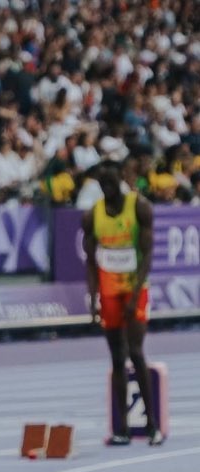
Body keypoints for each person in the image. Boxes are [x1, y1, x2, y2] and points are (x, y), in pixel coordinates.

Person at [82, 160, 164, 446]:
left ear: (121, 180)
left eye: (111, 182)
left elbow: (148, 254)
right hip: (108, 291)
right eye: (101, 184)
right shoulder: (92, 216)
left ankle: (153, 425)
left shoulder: (139, 207)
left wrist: (136, 291)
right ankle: (123, 430)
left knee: (136, 352)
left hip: (135, 288)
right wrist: (93, 298)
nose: (107, 188)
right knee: (117, 358)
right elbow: (91, 264)